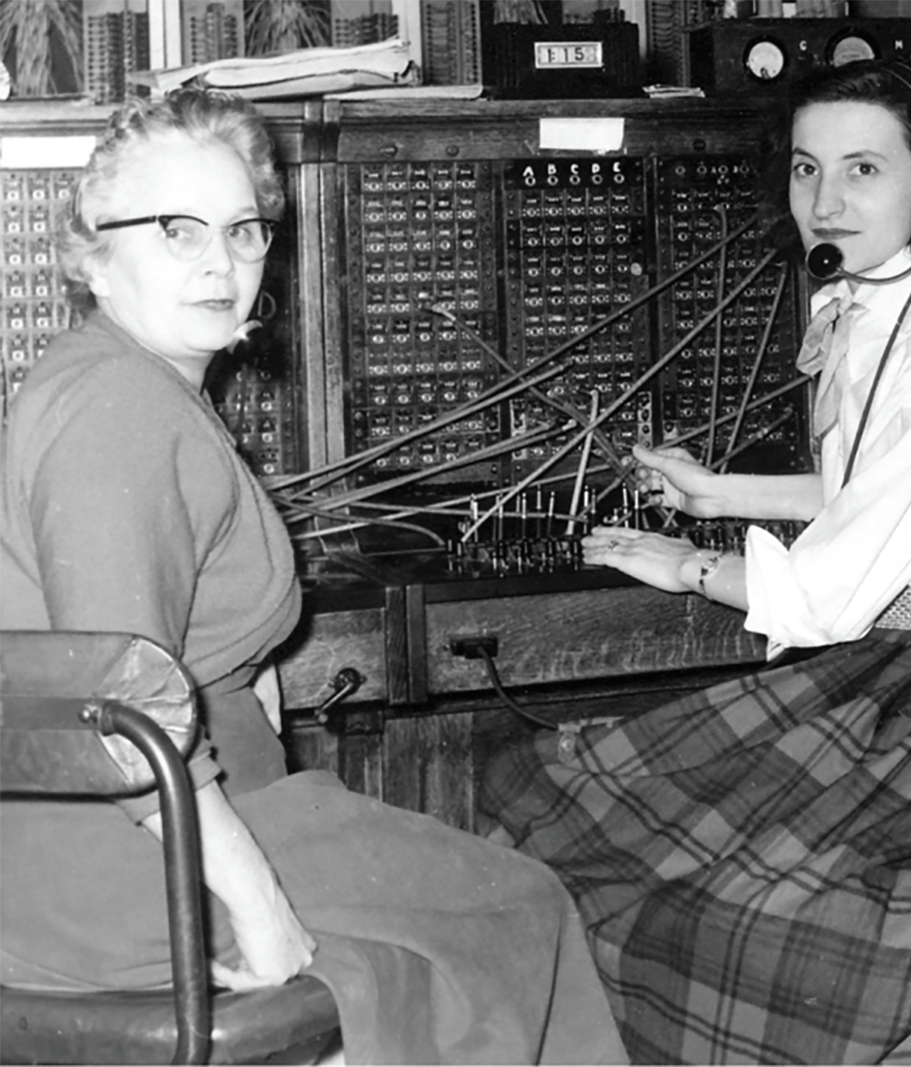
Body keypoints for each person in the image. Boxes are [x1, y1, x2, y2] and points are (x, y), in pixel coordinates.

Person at [0, 88, 627, 1066]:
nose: (220, 262)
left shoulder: (101, 373)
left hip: (102, 848)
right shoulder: (122, 406)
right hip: (131, 865)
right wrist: (259, 901)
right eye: (176, 229)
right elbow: (116, 702)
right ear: (94, 253)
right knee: (519, 905)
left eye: (243, 230)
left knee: (450, 914)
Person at [478, 59, 911, 1063]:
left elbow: (831, 588)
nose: (825, 201)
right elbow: (868, 491)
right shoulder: (867, 309)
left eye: (862, 170)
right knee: (556, 800)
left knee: (719, 914)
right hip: (902, 668)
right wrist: (716, 493)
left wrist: (689, 566)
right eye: (807, 169)